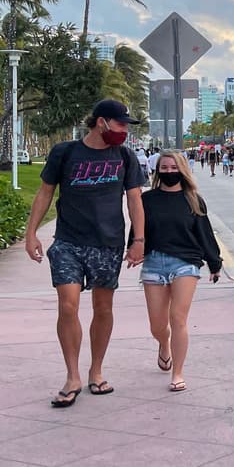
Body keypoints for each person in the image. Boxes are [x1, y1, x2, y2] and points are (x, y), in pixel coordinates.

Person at [22, 99, 146, 407]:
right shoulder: (65, 153)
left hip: (108, 242)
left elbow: (134, 200)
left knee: (103, 308)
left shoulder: (124, 157)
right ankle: (72, 376)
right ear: (101, 122)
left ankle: (96, 371)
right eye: (120, 125)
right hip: (68, 241)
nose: (123, 132)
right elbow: (45, 192)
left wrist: (139, 240)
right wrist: (31, 233)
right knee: (68, 305)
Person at [138, 151, 222, 393]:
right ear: (157, 170)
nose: (168, 172)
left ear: (182, 170)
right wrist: (134, 248)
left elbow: (205, 233)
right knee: (157, 325)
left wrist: (214, 263)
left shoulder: (193, 199)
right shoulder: (148, 199)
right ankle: (163, 343)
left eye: (173, 168)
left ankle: (178, 373)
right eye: (164, 168)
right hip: (154, 262)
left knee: (178, 318)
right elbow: (139, 230)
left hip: (185, 263)